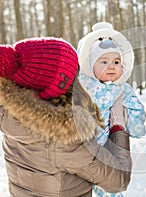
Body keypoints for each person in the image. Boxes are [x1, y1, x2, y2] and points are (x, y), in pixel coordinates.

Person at [0, 37, 132, 196]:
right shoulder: (63, 140)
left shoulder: (9, 114)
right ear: (58, 86)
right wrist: (118, 128)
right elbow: (118, 180)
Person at [77, 22, 146, 197]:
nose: (111, 66)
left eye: (116, 62)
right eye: (104, 62)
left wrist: (133, 123)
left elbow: (137, 111)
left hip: (110, 150)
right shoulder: (83, 86)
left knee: (110, 186)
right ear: (90, 65)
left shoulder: (123, 89)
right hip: (84, 148)